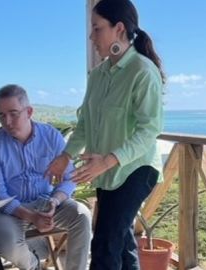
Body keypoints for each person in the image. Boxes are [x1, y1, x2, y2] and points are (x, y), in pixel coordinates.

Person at [46, 0, 165, 269]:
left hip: (136, 169)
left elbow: (150, 130)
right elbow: (85, 124)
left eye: (97, 28)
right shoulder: (97, 75)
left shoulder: (143, 72)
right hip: (105, 172)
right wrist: (66, 155)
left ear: (119, 29)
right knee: (120, 241)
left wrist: (109, 160)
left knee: (104, 243)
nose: (91, 36)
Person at [0, 84, 91, 270]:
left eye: (13, 113)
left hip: (48, 203)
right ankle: (34, 265)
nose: (7, 121)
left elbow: (69, 177)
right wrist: (31, 216)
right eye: (1, 115)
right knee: (6, 244)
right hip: (9, 209)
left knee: (82, 215)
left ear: (29, 111)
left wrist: (55, 201)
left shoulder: (50, 136)